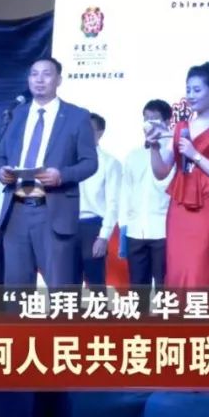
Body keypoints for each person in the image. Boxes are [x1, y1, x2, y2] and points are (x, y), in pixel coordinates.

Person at [0, 57, 98, 287]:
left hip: (53, 211)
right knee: (16, 291)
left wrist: (62, 176)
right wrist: (1, 171)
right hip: (16, 211)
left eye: (46, 74)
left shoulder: (76, 116)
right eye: (34, 74)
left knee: (60, 289)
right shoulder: (17, 114)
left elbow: (90, 162)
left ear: (58, 80)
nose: (39, 79)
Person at [147, 61, 209, 288]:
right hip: (179, 210)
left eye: (197, 90)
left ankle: (203, 310)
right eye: (188, 89)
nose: (190, 95)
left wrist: (195, 155)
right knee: (178, 270)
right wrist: (154, 147)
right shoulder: (180, 128)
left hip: (208, 210)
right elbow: (161, 172)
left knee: (201, 270)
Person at [120, 100, 174, 306]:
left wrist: (156, 148)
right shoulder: (132, 155)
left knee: (163, 287)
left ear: (167, 122)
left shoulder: (172, 153)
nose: (149, 124)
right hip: (135, 231)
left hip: (163, 230)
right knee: (137, 287)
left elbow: (166, 185)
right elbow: (126, 193)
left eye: (154, 119)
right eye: (146, 119)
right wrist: (124, 225)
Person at [78, 113, 122, 289]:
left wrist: (103, 237)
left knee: (95, 285)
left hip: (93, 228)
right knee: (66, 285)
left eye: (89, 129)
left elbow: (113, 204)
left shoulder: (110, 163)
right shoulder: (66, 160)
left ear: (100, 133)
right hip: (66, 228)